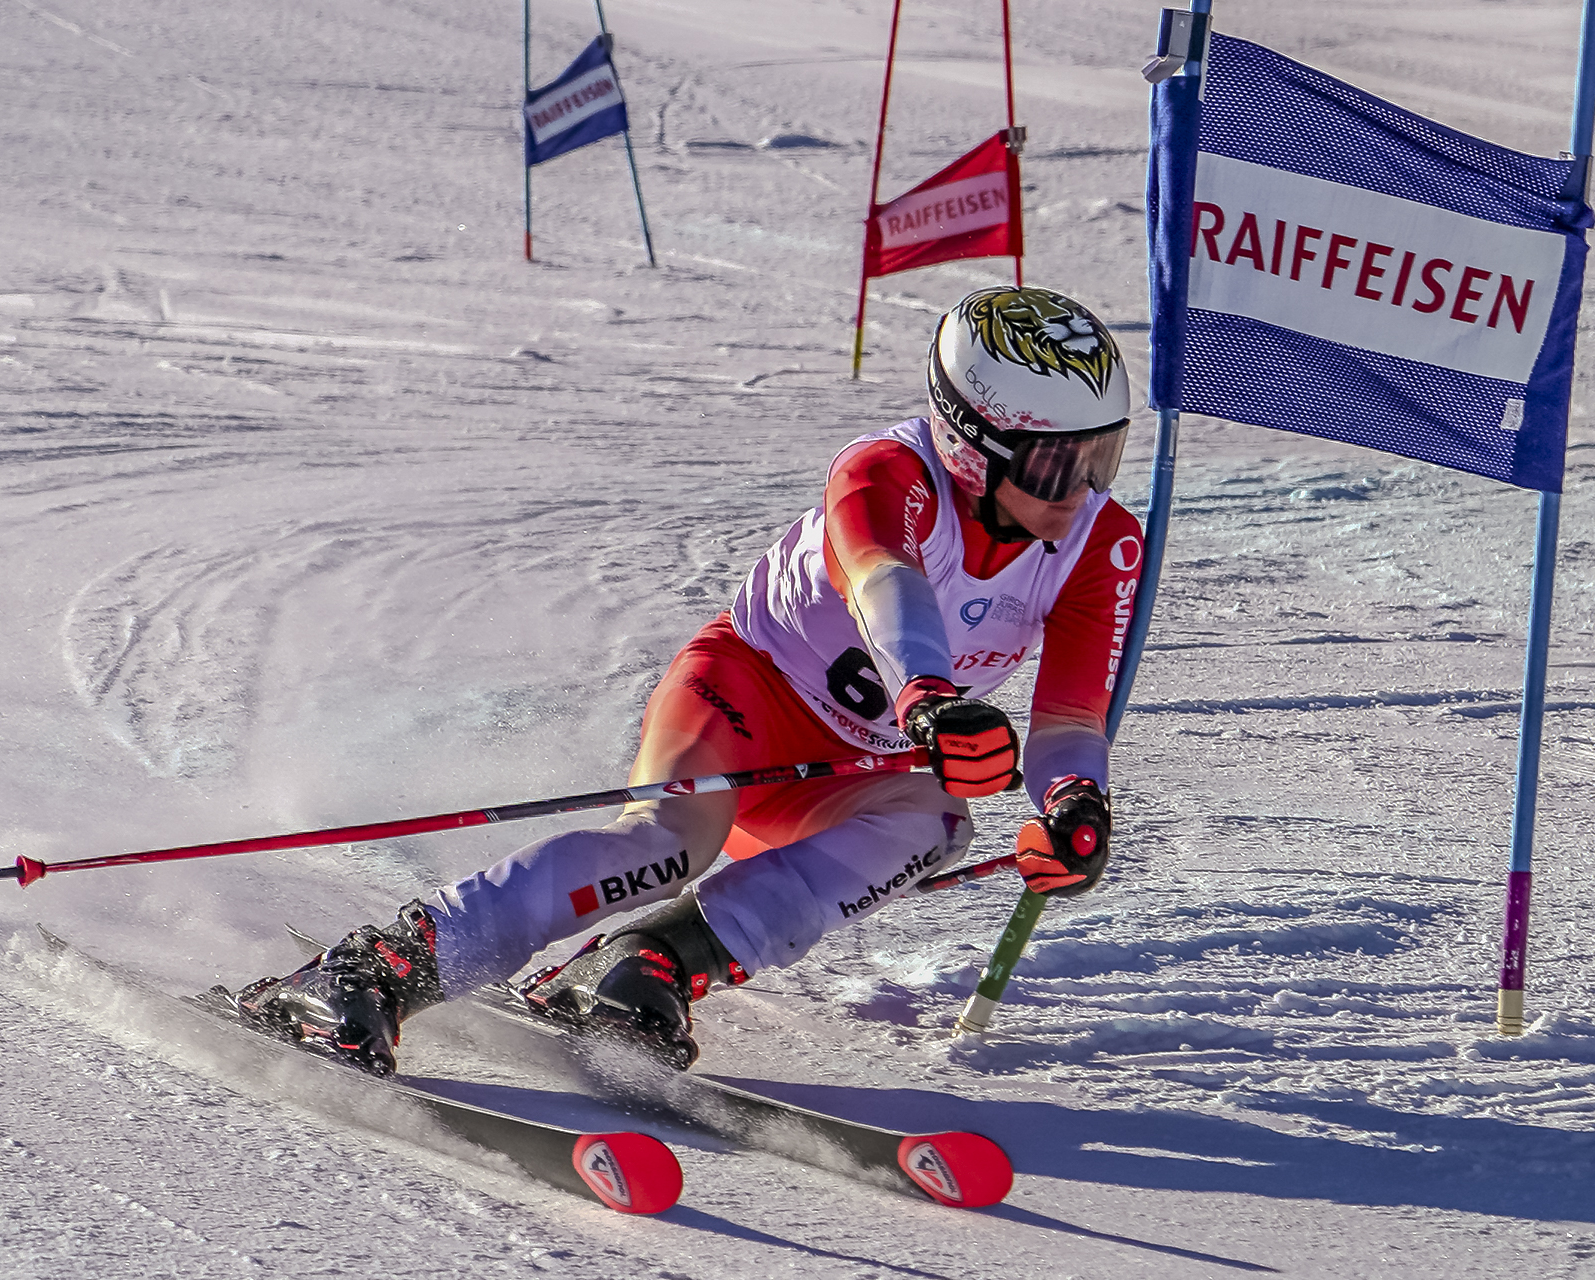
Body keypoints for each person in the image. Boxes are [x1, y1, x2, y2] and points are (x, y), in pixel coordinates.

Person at [235, 286, 1146, 1075]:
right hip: (746, 698)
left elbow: (1071, 713)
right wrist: (932, 698)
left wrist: (1074, 804)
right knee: (664, 846)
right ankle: (375, 968)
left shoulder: (1097, 543)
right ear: (969, 443)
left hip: (853, 766)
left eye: (1101, 457)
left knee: (937, 823)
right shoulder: (888, 473)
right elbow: (886, 585)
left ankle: (653, 960)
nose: (1082, 488)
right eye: (1057, 463)